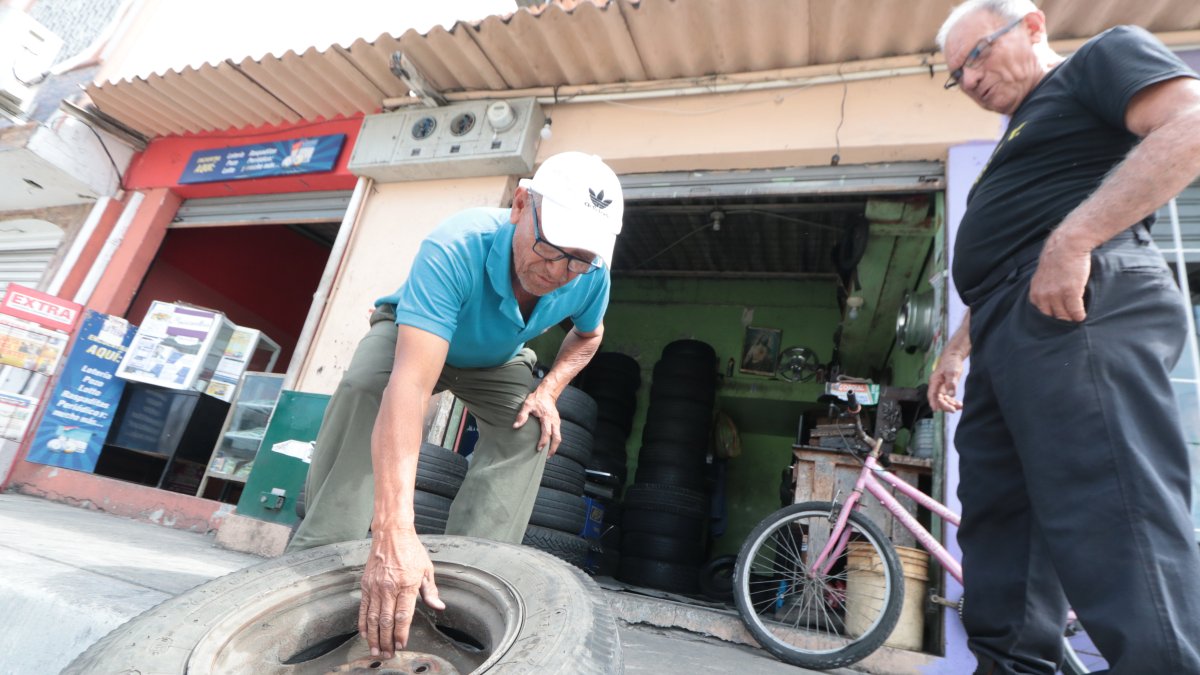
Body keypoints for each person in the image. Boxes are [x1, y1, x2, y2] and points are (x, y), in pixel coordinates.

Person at [928, 1, 1200, 673]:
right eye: (956, 72)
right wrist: (960, 346)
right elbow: (1007, 248)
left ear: (1032, 25)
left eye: (978, 54)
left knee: (1113, 512)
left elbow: (1192, 122)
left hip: (1076, 308)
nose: (969, 79)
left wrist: (1076, 237)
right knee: (1000, 531)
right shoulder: (1019, 134)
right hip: (1005, 327)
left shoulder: (1098, 61)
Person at [286, 151, 624, 660]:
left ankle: (466, 585)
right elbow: (411, 387)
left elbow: (588, 335)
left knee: (531, 429)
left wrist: (548, 390)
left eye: (577, 258)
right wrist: (396, 531)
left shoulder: (590, 274)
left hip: (496, 359)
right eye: (551, 247)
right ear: (519, 205)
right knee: (366, 388)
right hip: (414, 338)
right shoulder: (456, 245)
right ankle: (322, 554)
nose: (559, 271)